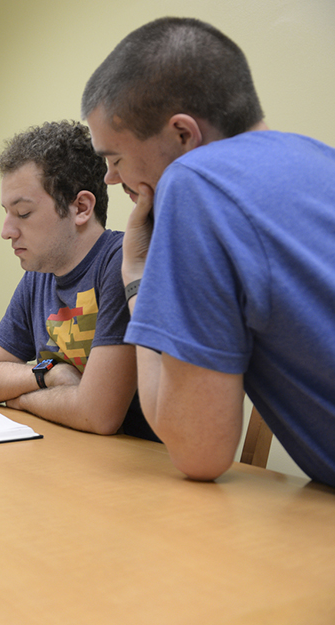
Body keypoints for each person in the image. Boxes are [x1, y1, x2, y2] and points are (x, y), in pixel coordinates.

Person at [81, 17, 335, 487]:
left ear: (183, 136)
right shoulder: (319, 157)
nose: (112, 179)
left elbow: (199, 449)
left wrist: (137, 275)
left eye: (114, 158)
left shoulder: (194, 181)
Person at [0, 121, 156, 441]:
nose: (6, 231)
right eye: (6, 212)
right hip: (70, 453)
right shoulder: (37, 276)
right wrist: (51, 374)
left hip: (140, 468)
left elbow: (99, 415)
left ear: (81, 207)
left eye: (23, 213)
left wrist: (21, 399)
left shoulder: (122, 264)